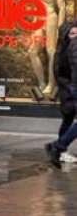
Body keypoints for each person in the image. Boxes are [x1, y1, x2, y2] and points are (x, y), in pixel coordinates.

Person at [46, 21, 77, 167]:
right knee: (68, 119)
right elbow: (62, 72)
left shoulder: (69, 47)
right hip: (69, 90)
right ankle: (59, 147)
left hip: (71, 89)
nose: (74, 36)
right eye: (71, 33)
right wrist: (70, 88)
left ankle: (59, 147)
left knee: (69, 120)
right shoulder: (67, 49)